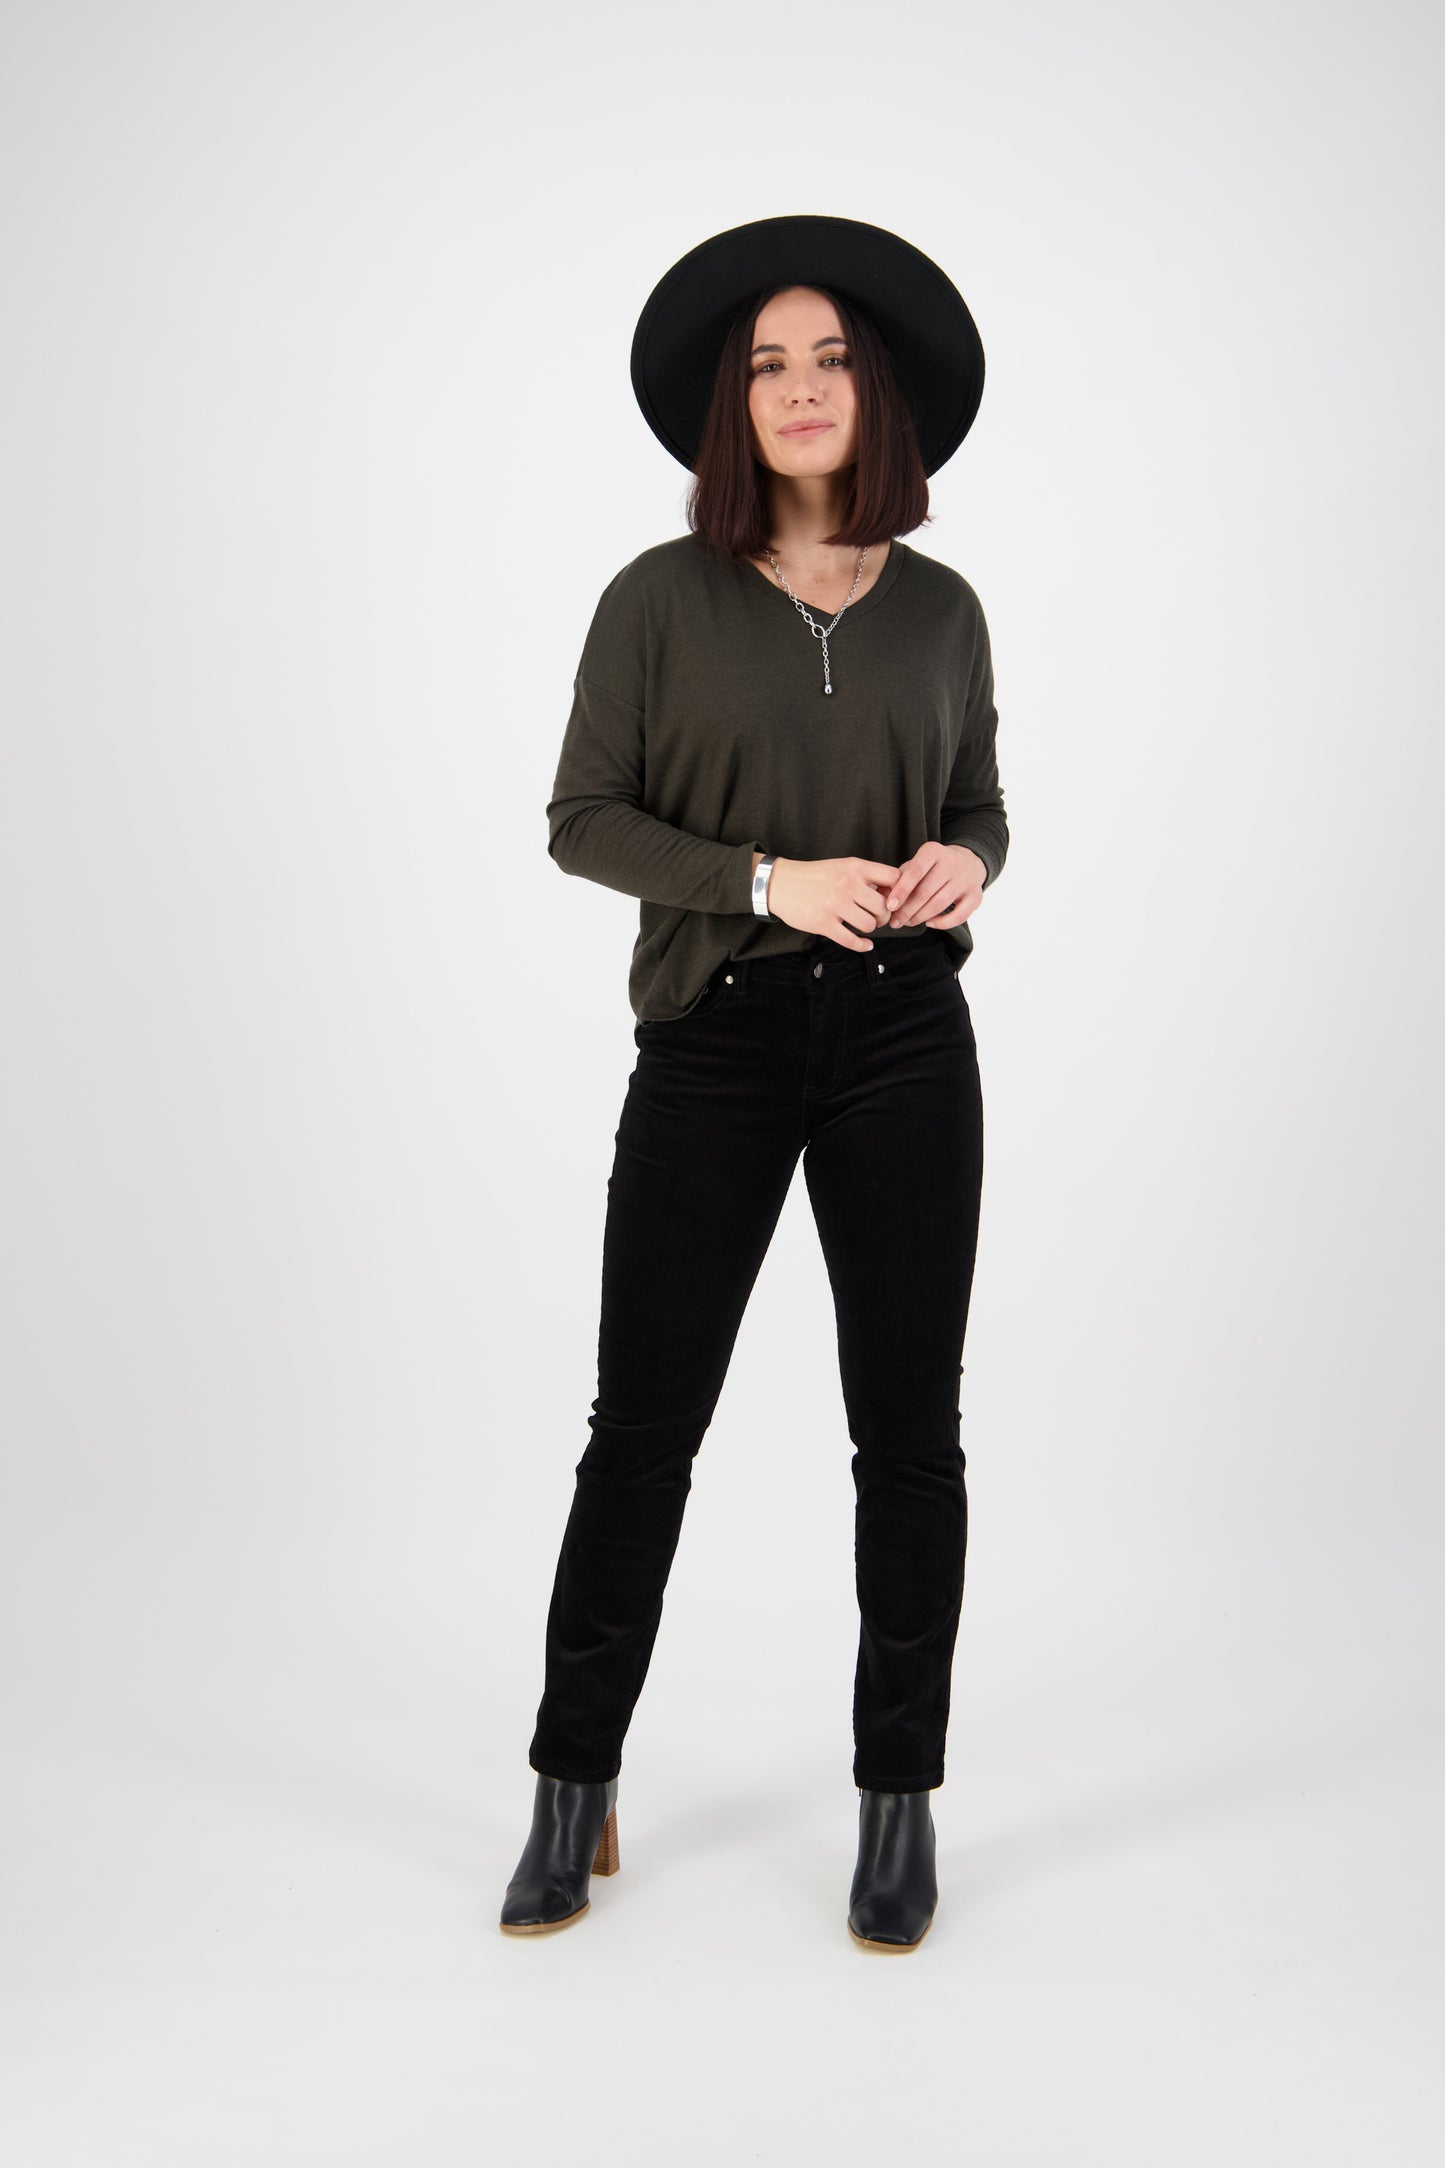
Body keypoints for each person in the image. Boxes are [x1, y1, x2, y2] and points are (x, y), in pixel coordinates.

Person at [499, 215, 1008, 1951]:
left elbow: (980, 800)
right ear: (734, 405)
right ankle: (571, 1780)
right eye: (767, 365)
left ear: (880, 396)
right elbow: (582, 821)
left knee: (909, 1436)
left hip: (904, 1039)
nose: (799, 390)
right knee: (642, 1429)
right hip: (713, 1038)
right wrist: (767, 880)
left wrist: (967, 861)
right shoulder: (657, 598)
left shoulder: (942, 611)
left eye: (830, 360)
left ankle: (897, 1798)